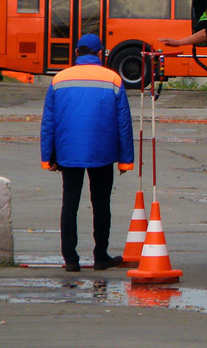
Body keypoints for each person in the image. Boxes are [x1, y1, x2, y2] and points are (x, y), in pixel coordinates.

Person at [40, 33, 134, 272]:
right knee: (101, 203)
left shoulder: (59, 79)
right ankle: (101, 256)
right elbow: (124, 122)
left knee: (69, 203)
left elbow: (49, 121)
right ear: (100, 53)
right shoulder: (112, 79)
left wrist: (47, 156)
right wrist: (125, 160)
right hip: (102, 151)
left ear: (76, 53)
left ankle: (70, 260)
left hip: (68, 151)